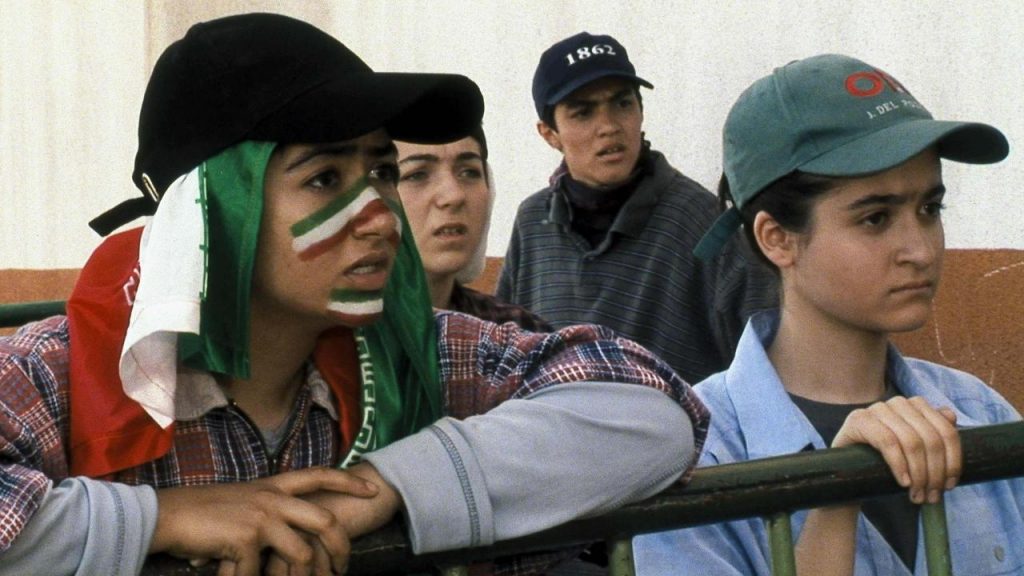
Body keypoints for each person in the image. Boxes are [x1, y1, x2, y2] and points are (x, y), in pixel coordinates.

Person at [0, 13, 710, 576]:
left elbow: (654, 410)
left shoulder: (414, 347)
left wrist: (387, 486)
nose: (381, 217)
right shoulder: (57, 374)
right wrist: (159, 519)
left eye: (380, 172)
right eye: (324, 179)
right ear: (212, 214)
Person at [633, 53, 1022, 576]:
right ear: (777, 238)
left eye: (930, 209)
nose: (920, 250)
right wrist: (836, 499)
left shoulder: (981, 414)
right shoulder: (699, 454)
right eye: (876, 218)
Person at [496, 31, 778, 384]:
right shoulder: (533, 222)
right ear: (549, 134)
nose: (609, 126)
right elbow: (503, 357)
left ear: (641, 111)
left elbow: (769, 356)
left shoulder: (699, 220)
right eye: (583, 112)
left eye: (623, 103)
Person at [396, 125, 552, 331]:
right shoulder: (354, 338)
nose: (454, 195)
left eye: (469, 172)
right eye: (417, 175)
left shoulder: (520, 333)